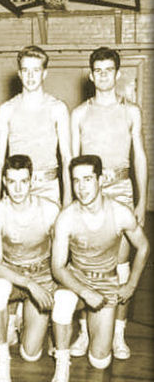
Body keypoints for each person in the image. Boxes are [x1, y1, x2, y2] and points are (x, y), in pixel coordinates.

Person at [70, 46, 148, 360]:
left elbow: (139, 157)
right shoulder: (79, 113)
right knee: (82, 262)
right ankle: (84, 332)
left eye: (108, 70)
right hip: (86, 194)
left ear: (117, 74)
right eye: (97, 70)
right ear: (91, 76)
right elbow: (72, 162)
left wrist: (142, 201)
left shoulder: (131, 111)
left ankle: (118, 333)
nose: (103, 76)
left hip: (121, 191)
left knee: (120, 266)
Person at [50, 155, 149, 382]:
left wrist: (131, 285)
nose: (81, 187)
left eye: (87, 179)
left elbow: (144, 246)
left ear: (101, 179)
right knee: (62, 303)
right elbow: (58, 267)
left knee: (99, 360)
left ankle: (90, 327)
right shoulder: (66, 218)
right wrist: (84, 292)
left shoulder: (120, 213)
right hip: (76, 280)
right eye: (76, 181)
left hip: (106, 281)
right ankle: (62, 364)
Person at [0, 155, 60, 382]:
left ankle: (21, 318)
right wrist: (29, 284)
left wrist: (49, 286)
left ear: (32, 182)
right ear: (4, 183)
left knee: (30, 354)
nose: (17, 189)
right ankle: (2, 358)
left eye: (23, 182)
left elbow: (63, 257)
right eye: (11, 182)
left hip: (42, 275)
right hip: (13, 277)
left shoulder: (49, 210)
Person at [0, 45, 72, 206]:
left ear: (44, 73)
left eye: (36, 70)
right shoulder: (7, 109)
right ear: (20, 74)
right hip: (16, 187)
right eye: (26, 70)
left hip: (48, 187)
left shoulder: (58, 108)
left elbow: (66, 157)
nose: (30, 76)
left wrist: (68, 198)